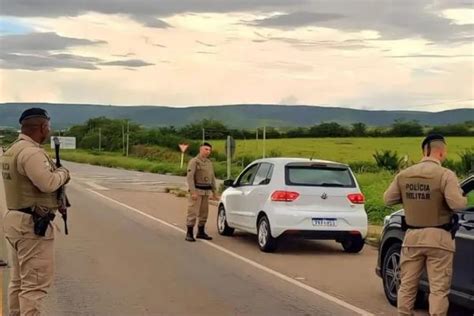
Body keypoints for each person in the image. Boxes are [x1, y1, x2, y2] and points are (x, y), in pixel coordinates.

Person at [383, 134, 467, 316]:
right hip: (439, 238)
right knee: (438, 289)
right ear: (442, 152)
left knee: (407, 284)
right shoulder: (445, 175)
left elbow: (388, 199)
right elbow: (457, 205)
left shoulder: (404, 175)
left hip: (412, 237)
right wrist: (462, 196)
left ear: (423, 151)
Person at [1, 108, 70, 316]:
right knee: (34, 286)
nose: (49, 130)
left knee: (19, 281)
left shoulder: (12, 149)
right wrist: (63, 174)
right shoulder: (31, 153)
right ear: (42, 127)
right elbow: (47, 183)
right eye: (48, 126)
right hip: (32, 225)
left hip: (16, 220)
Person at [185, 142, 218, 242]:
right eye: (206, 149)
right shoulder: (194, 161)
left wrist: (214, 191)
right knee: (193, 212)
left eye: (209, 150)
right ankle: (189, 233)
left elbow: (212, 178)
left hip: (206, 191)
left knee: (204, 213)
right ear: (200, 150)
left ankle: (201, 231)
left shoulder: (209, 163)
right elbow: (190, 177)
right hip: (197, 191)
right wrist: (193, 191)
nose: (208, 152)